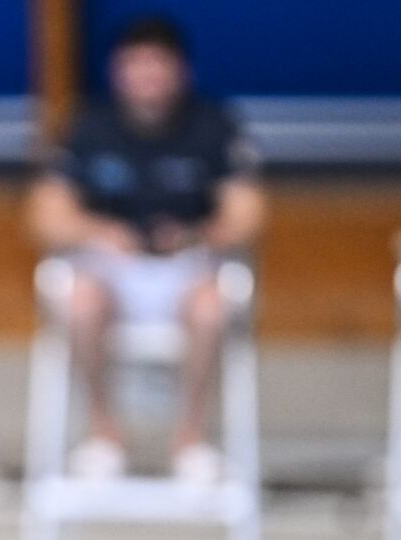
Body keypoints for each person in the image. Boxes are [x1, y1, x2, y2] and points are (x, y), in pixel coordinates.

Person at [27, 17, 267, 483]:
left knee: (213, 306)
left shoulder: (213, 126)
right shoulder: (89, 126)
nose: (147, 76)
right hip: (112, 268)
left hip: (187, 266)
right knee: (78, 301)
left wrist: (196, 235)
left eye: (158, 64)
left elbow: (249, 217)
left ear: (181, 71)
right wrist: (102, 232)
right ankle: (105, 433)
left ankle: (190, 438)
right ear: (117, 71)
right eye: (136, 64)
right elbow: (43, 216)